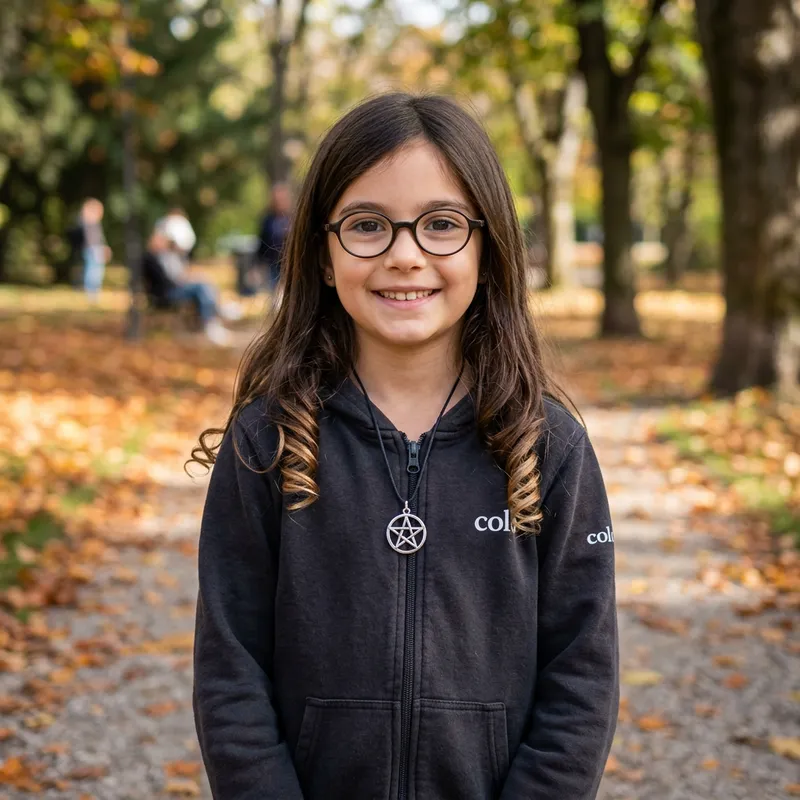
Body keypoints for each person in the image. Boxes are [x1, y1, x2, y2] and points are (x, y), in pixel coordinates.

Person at [191, 93, 618, 800]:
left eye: (442, 225)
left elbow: (583, 675)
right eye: (366, 226)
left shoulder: (549, 446)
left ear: (488, 247)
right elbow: (230, 671)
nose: (404, 255)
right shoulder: (266, 441)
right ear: (323, 255)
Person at [142, 228, 232, 346]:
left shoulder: (165, 256)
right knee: (201, 287)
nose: (162, 242)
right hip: (165, 294)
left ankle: (214, 314)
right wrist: (182, 281)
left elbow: (174, 274)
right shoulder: (150, 258)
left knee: (204, 282)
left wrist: (187, 278)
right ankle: (210, 321)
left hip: (172, 288)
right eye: (159, 240)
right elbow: (163, 281)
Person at [255, 182, 292, 294]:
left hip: (289, 264)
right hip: (272, 264)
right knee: (274, 293)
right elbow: (262, 241)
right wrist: (258, 263)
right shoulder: (268, 220)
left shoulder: (291, 219)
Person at [73, 198, 111, 301]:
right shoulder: (88, 223)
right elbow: (92, 239)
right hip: (92, 250)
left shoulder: (93, 224)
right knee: (93, 271)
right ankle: (91, 293)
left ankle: (93, 292)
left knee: (96, 271)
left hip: (95, 249)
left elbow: (99, 239)